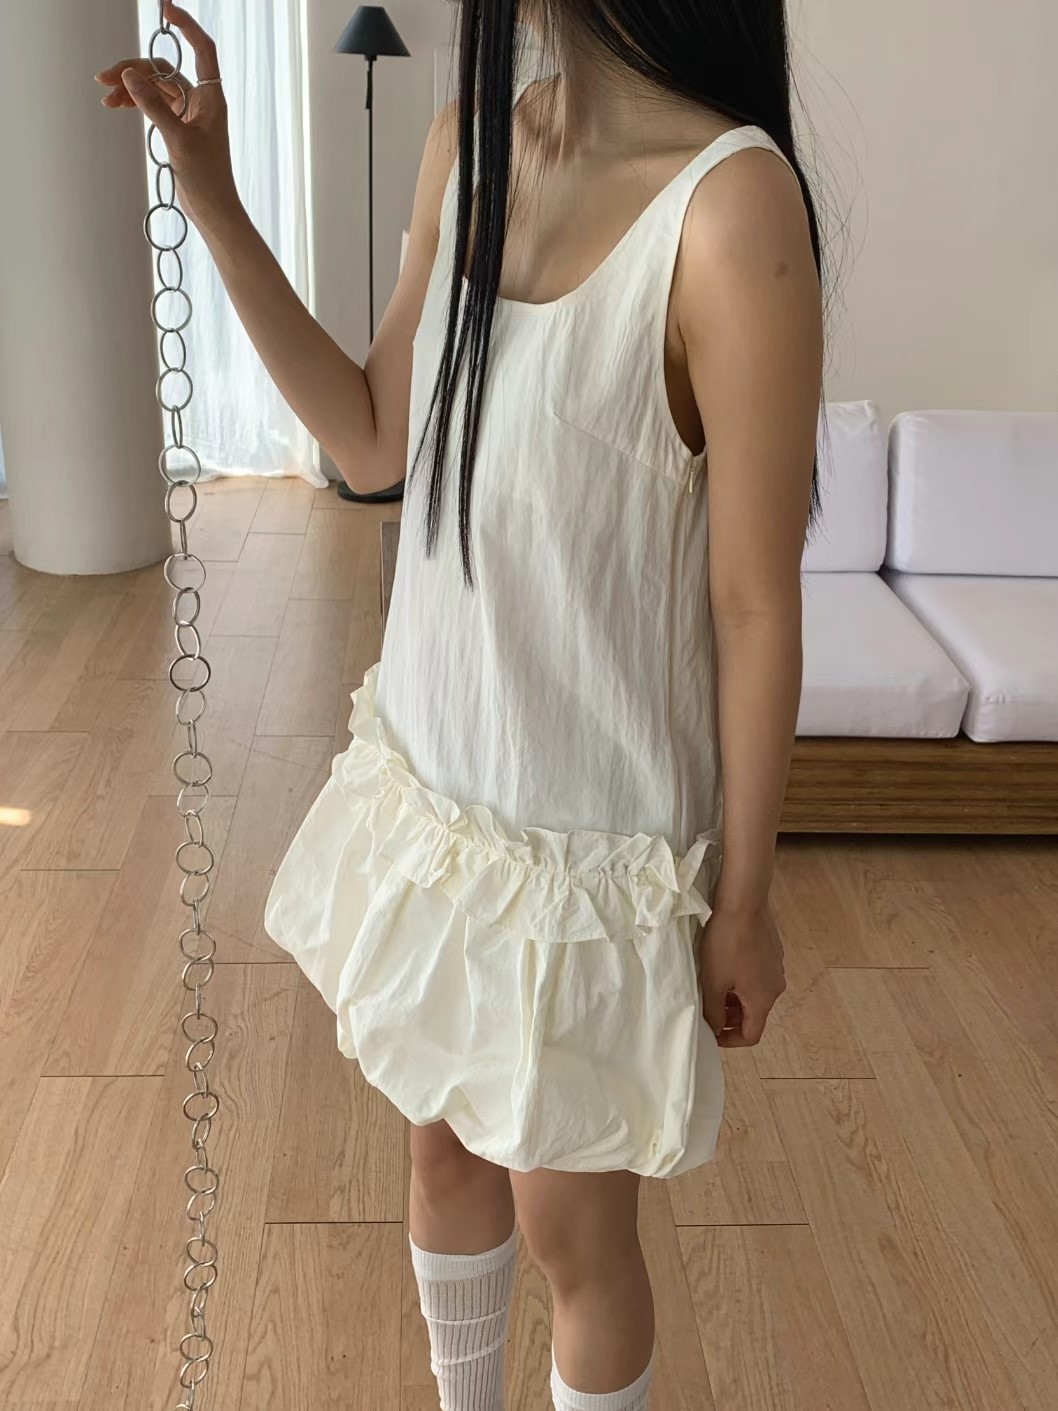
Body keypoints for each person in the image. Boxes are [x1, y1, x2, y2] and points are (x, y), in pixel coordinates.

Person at [98, 1, 824, 1407]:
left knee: (571, 1228)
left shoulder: (732, 207)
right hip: (438, 788)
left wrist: (743, 895)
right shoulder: (466, 147)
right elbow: (373, 438)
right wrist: (215, 202)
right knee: (439, 1154)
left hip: (587, 842)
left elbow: (753, 602)